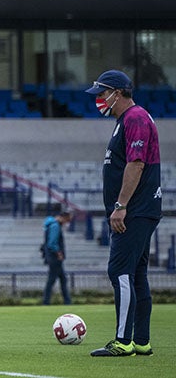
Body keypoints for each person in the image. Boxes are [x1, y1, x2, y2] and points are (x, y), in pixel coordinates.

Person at [85, 69, 161, 357]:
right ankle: (141, 341)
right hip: (139, 210)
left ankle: (123, 340)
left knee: (119, 271)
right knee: (137, 273)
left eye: (102, 94)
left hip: (135, 211)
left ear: (117, 93)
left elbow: (136, 163)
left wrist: (121, 206)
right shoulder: (126, 120)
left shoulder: (135, 118)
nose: (100, 100)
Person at [42, 210, 72, 306]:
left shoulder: (51, 225)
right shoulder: (55, 226)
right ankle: (46, 301)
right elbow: (52, 243)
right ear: (63, 217)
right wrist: (59, 253)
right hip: (55, 258)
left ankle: (67, 301)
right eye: (67, 220)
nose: (67, 223)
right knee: (52, 280)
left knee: (62, 279)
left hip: (53, 258)